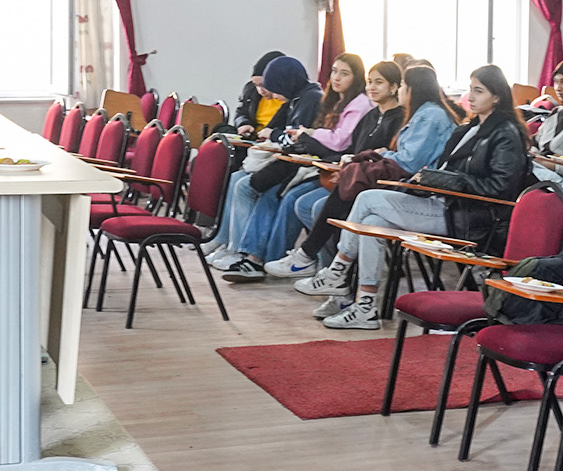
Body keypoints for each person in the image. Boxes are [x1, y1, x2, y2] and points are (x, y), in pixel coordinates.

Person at [299, 65, 531, 330]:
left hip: (469, 217)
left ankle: (338, 271)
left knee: (367, 198)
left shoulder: (505, 133)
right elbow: (448, 170)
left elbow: (500, 187)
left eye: (479, 91)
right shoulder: (471, 127)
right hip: (445, 203)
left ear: (497, 97)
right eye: (471, 89)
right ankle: (365, 306)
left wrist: (443, 180)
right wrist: (432, 178)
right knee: (373, 223)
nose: (471, 96)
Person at [274, 63, 461, 284]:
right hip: (407, 186)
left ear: (411, 88)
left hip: (424, 194)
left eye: (401, 85)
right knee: (367, 218)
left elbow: (410, 161)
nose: (372, 87)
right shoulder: (403, 114)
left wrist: (381, 156)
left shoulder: (429, 115)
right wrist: (377, 156)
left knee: (356, 195)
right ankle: (359, 295)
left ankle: (332, 268)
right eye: (370, 81)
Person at [223, 54, 375, 281]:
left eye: (344, 73)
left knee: (288, 198)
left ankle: (268, 258)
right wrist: (302, 135)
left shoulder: (342, 102)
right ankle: (247, 254)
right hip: (316, 164)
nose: (336, 77)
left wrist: (305, 135)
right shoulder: (327, 100)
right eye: (334, 71)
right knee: (250, 185)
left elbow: (338, 141)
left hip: (330, 168)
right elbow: (283, 132)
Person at [208, 56, 321, 270]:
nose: (271, 94)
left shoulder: (310, 99)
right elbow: (280, 132)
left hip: (300, 166)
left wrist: (273, 134)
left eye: (274, 88)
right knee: (237, 179)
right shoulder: (298, 97)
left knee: (252, 188)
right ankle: (233, 245)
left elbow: (295, 140)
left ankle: (246, 252)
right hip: (288, 162)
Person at [232, 51, 285, 137]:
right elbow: (241, 112)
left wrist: (273, 134)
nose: (260, 91)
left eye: (264, 85)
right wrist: (244, 124)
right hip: (252, 138)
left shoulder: (292, 99)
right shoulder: (250, 90)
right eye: (256, 85)